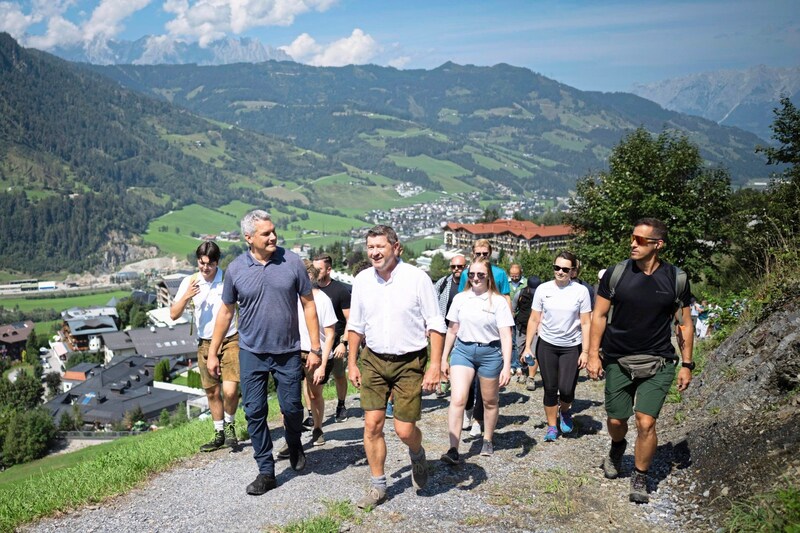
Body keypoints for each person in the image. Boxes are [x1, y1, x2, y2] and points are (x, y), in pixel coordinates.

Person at [207, 209, 322, 496]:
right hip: (251, 351)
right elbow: (225, 312)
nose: (273, 236)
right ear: (249, 238)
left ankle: (294, 443)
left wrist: (316, 348)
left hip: (288, 350)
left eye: (273, 231)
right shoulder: (236, 269)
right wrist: (213, 351)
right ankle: (266, 471)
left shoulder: (292, 262)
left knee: (293, 408)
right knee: (255, 411)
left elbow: (308, 304)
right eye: (266, 233)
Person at [586, 217, 695, 504]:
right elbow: (598, 315)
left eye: (640, 240)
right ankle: (617, 445)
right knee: (616, 419)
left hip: (658, 362)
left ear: (658, 245)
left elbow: (684, 324)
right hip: (617, 359)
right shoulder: (617, 273)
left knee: (646, 422)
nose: (633, 244)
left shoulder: (676, 279)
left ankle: (640, 476)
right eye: (632, 238)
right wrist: (592, 354)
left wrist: (687, 363)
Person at [347, 225, 446, 509]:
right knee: (372, 424)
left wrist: (435, 365)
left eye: (380, 246)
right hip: (374, 359)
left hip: (409, 362)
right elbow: (355, 325)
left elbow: (435, 324)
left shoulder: (417, 278)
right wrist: (352, 363)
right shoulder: (363, 280)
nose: (375, 252)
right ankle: (378, 486)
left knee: (404, 430)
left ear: (396, 247)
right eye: (370, 247)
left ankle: (417, 453)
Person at [440, 257, 514, 464]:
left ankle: (488, 439)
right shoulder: (461, 299)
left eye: (480, 274)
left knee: (490, 401)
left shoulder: (498, 302)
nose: (475, 278)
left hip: (490, 353)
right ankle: (453, 448)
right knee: (458, 399)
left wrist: (507, 366)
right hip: (463, 351)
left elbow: (506, 336)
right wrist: (443, 359)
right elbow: (452, 329)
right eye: (471, 274)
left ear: (488, 276)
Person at [170, 241, 240, 452]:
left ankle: (230, 425)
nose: (205, 268)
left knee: (230, 390)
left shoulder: (227, 279)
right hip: (204, 341)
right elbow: (174, 314)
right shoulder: (189, 281)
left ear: (217, 262)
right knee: (212, 391)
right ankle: (219, 432)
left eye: (209, 264)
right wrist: (186, 296)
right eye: (201, 263)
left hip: (231, 339)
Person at [522, 251, 591, 442]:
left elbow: (586, 323)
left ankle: (566, 411)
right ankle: (552, 427)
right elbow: (534, 318)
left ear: (573, 271)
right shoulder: (543, 289)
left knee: (567, 388)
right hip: (547, 345)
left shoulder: (581, 291)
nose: (560, 272)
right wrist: (528, 346)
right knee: (550, 388)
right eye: (557, 267)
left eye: (565, 269)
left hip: (571, 346)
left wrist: (586, 351)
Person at [458, 240, 511, 437]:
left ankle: (479, 419)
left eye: (485, 253)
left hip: (491, 333)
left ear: (490, 254)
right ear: (472, 253)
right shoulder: (467, 273)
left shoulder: (500, 273)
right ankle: (467, 410)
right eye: (478, 253)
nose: (481, 256)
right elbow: (463, 297)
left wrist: (506, 324)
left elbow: (505, 297)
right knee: (467, 383)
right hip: (467, 334)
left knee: (482, 384)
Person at [295, 260, 337, 447]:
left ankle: (318, 428)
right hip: (294, 352)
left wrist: (322, 364)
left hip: (317, 353)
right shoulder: (291, 298)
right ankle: (292, 437)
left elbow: (330, 335)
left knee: (314, 395)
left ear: (311, 277)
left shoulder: (323, 300)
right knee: (289, 397)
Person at [313, 253, 352, 422]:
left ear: (329, 269)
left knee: (338, 375)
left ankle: (341, 405)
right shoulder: (310, 290)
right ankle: (311, 414)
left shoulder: (341, 291)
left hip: (336, 342)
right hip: (315, 343)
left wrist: (344, 343)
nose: (315, 273)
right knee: (311, 380)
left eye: (319, 269)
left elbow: (350, 319)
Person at [433, 254, 467, 396]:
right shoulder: (443, 282)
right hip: (444, 325)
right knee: (441, 354)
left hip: (464, 326)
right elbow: (433, 301)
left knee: (457, 355)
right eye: (454, 266)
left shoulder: (471, 283)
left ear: (465, 267)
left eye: (460, 266)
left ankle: (456, 382)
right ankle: (442, 382)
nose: (456, 269)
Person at [513, 275, 542, 391]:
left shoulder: (542, 295)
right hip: (521, 327)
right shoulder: (520, 294)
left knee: (533, 353)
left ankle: (531, 378)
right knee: (521, 351)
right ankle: (523, 370)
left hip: (536, 329)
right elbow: (513, 309)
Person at [508, 264, 528, 382]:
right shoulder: (506, 282)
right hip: (508, 315)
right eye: (512, 275)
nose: (514, 277)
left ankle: (520, 365)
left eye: (516, 275)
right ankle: (512, 364)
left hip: (522, 316)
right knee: (511, 341)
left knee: (520, 342)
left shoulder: (525, 283)